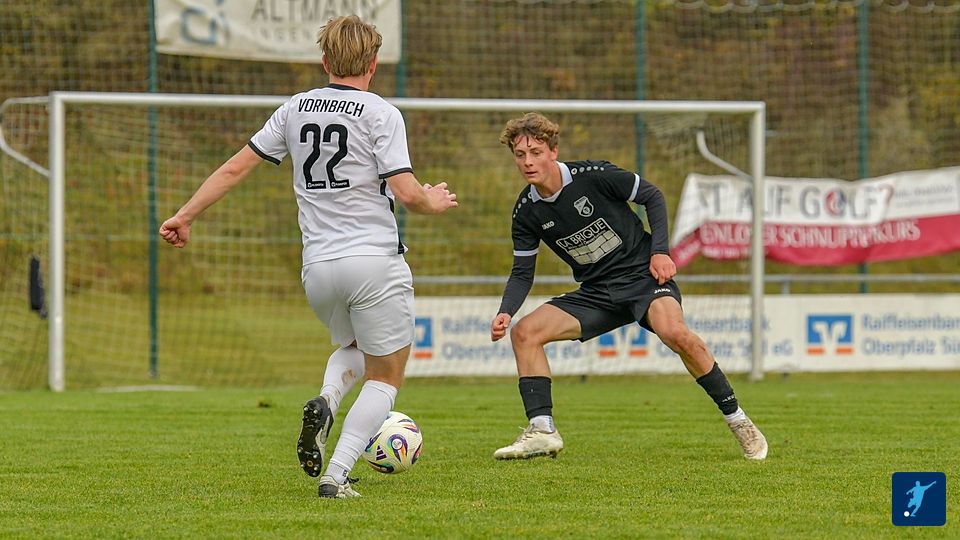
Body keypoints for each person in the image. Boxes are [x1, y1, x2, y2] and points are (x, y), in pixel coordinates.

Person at [159, 15, 457, 499]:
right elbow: (407, 194)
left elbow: (235, 168)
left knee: (354, 348)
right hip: (373, 260)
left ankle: (327, 400)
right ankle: (336, 475)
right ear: (373, 64)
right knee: (386, 375)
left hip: (318, 268)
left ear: (324, 61)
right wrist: (434, 201)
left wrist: (185, 215)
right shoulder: (382, 113)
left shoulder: (295, 108)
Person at [489, 112, 766, 461]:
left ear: (553, 151)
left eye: (536, 152)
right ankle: (542, 430)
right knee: (524, 333)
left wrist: (660, 251)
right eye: (520, 155)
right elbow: (522, 273)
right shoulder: (526, 212)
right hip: (597, 293)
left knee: (676, 335)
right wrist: (506, 311)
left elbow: (652, 195)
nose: (528, 162)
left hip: (642, 278)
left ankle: (738, 420)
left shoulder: (594, 175)